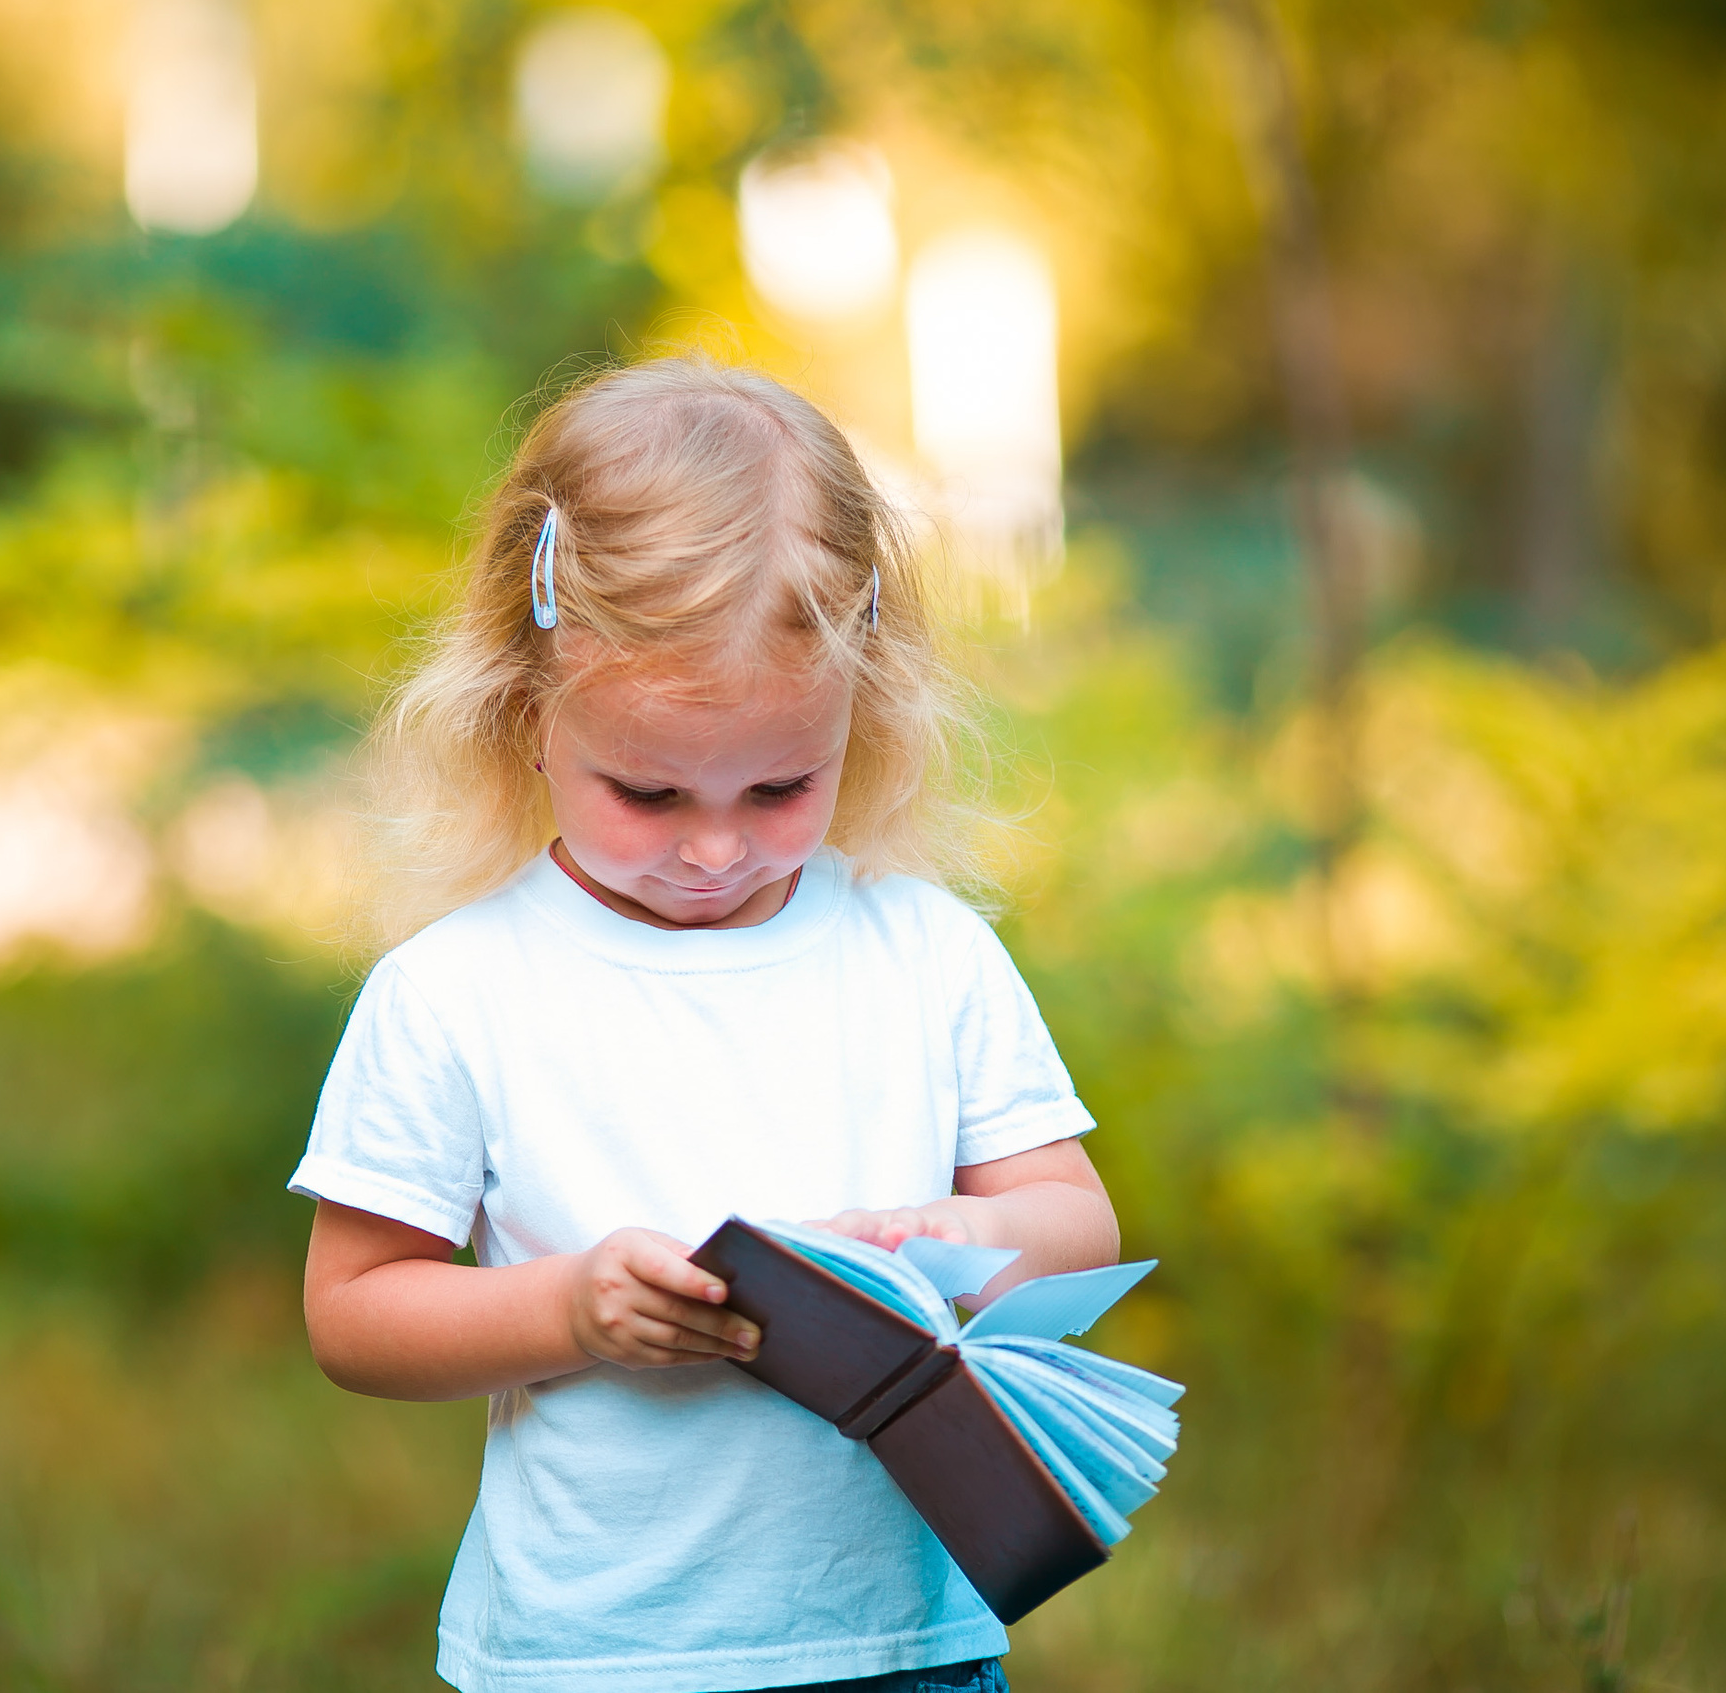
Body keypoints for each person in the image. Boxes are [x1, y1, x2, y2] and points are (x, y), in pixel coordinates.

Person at [292, 355, 1120, 1693]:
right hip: (594, 1658)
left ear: (868, 706)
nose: (715, 849)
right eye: (652, 792)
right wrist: (571, 1308)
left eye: (781, 785)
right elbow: (356, 1313)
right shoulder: (460, 991)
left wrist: (973, 1237)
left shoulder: (924, 954)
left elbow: (1078, 1221)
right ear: (528, 710)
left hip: (904, 1647)